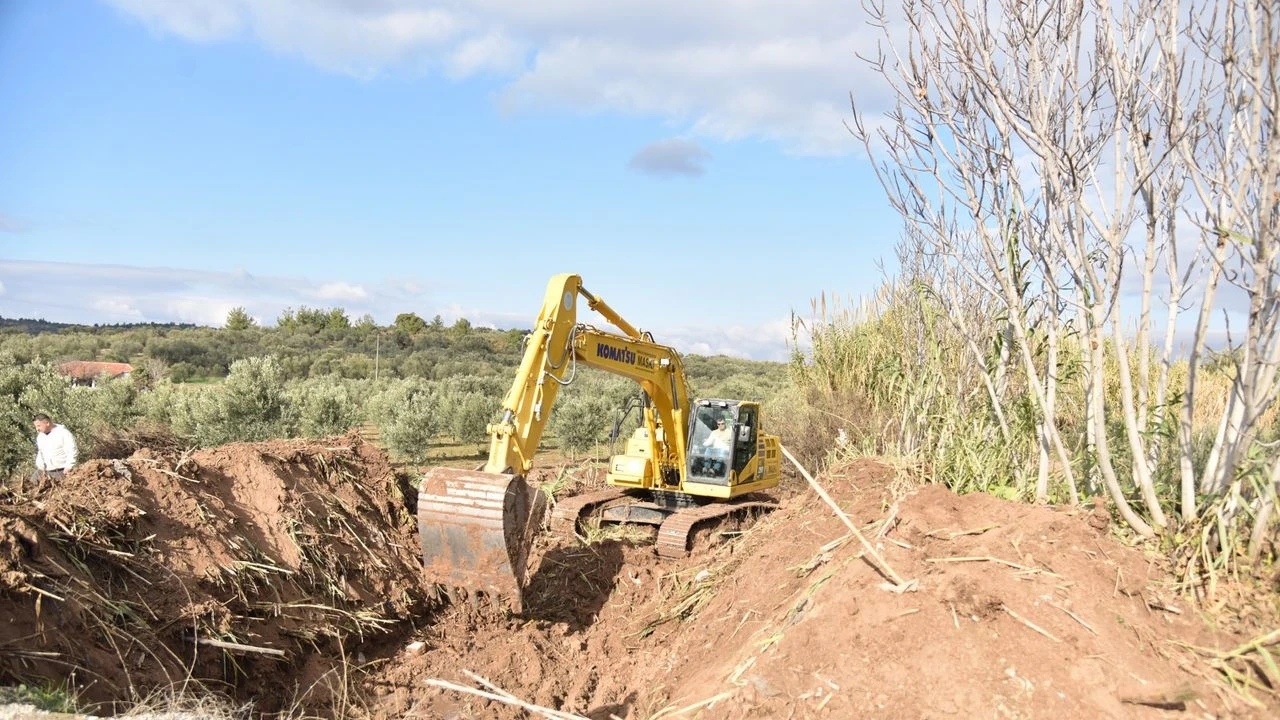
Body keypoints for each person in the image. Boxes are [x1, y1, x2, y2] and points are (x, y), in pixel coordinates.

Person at [31, 413, 77, 487]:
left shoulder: (63, 433)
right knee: (31, 485)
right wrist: (40, 466)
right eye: (36, 426)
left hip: (60, 471)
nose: (37, 429)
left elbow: (72, 450)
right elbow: (41, 452)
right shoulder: (40, 437)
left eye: (39, 426)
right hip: (44, 471)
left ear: (47, 423)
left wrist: (69, 466)